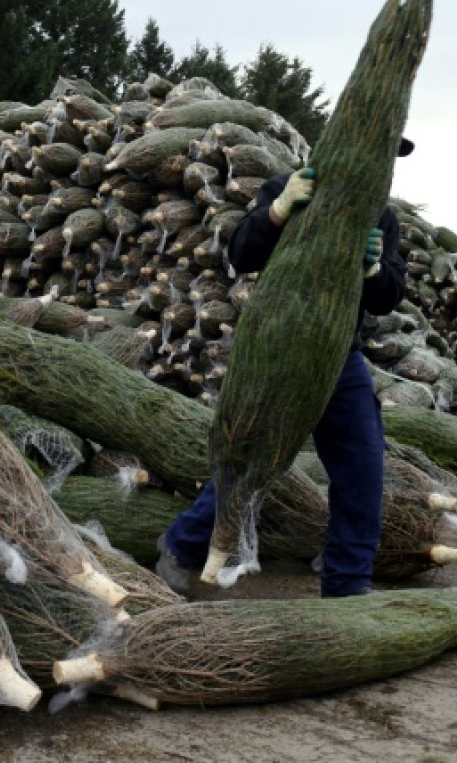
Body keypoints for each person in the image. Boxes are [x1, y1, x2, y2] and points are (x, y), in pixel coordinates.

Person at [157, 137, 414, 598]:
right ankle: (181, 546)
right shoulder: (288, 186)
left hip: (339, 355)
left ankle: (348, 584)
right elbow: (240, 255)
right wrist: (277, 211)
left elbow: (389, 295)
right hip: (277, 349)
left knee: (362, 468)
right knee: (252, 459)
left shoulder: (382, 216)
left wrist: (374, 270)